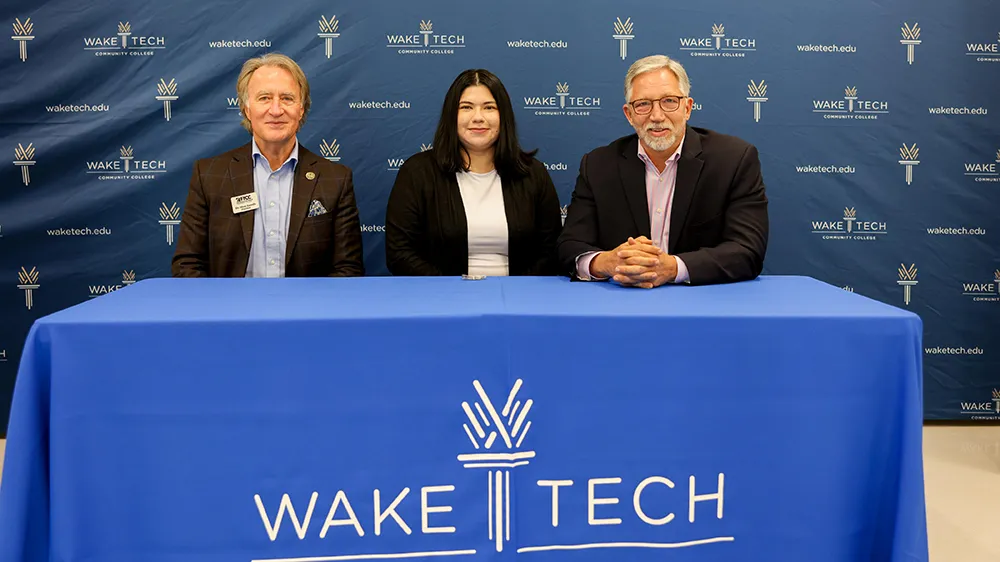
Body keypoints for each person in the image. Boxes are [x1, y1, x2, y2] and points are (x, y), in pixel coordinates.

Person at [557, 54, 768, 287]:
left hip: (703, 301)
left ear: (687, 108)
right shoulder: (598, 165)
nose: (657, 116)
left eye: (669, 101)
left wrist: (673, 268)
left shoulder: (733, 160)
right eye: (643, 104)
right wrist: (606, 262)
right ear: (629, 114)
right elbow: (570, 247)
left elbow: (747, 250)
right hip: (621, 300)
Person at [172, 53, 364, 278]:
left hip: (306, 302)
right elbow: (187, 264)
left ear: (301, 108)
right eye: (264, 98)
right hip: (231, 301)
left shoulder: (336, 179)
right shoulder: (209, 176)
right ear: (247, 109)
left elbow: (348, 269)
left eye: (287, 98)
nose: (276, 110)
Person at [385, 69, 562, 277]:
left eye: (489, 107)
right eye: (466, 107)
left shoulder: (533, 173)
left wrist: (516, 289)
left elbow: (551, 250)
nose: (478, 118)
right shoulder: (417, 172)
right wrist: (452, 289)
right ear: (451, 115)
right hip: (441, 293)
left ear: (503, 116)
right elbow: (399, 253)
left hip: (518, 293)